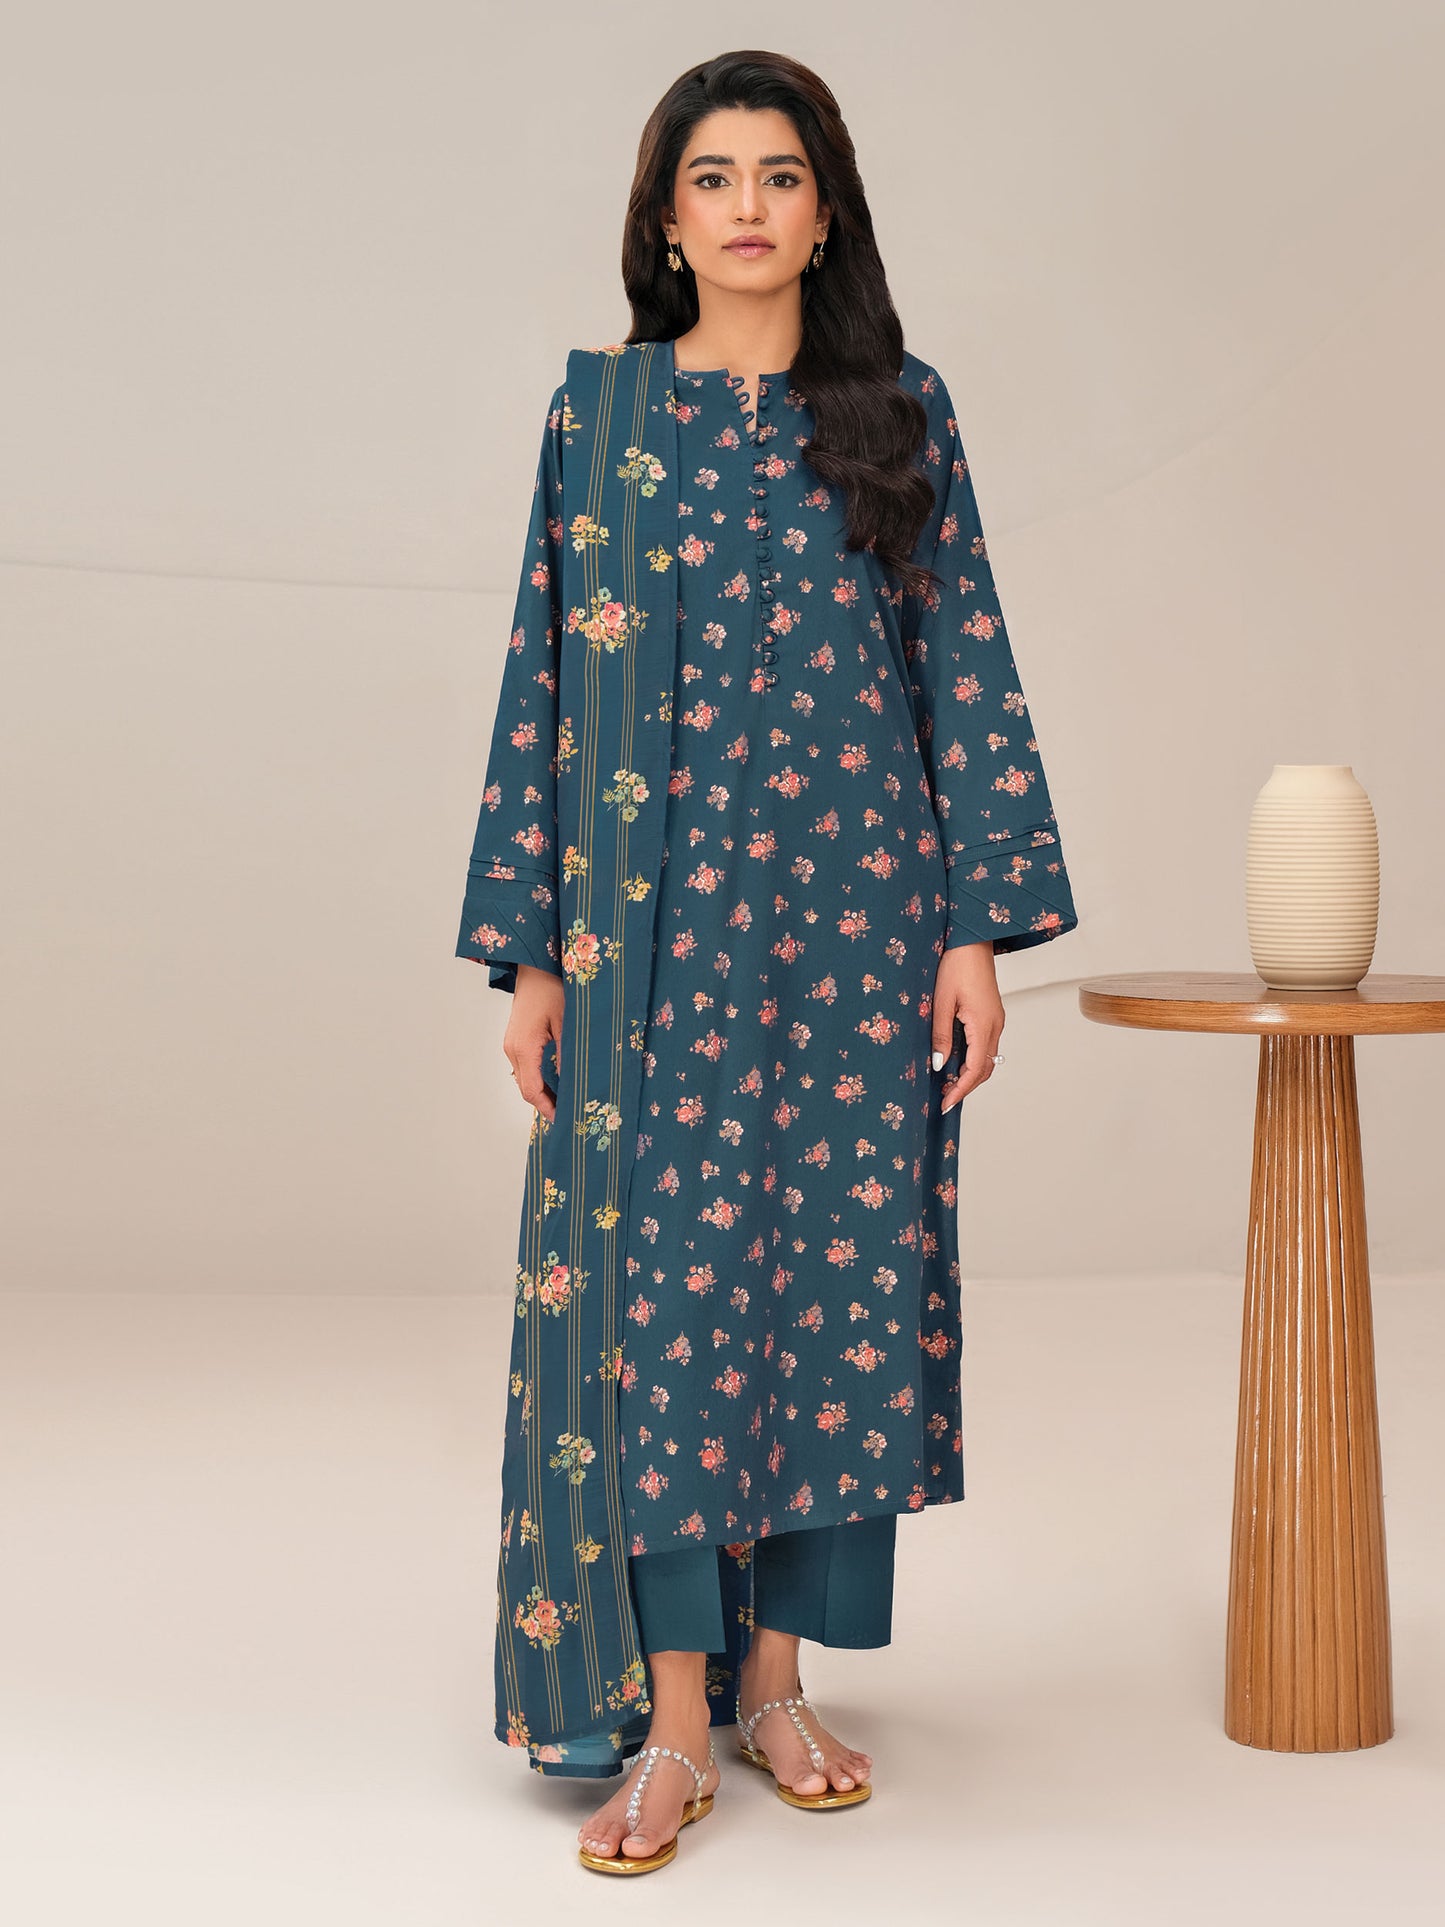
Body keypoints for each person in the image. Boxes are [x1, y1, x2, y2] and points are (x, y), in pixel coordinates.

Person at [454, 48, 1080, 1875]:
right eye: (712, 177)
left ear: (825, 212)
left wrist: (971, 932)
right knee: (659, 1303)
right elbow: (544, 672)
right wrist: (533, 957)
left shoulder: (895, 410)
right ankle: (670, 1720)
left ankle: (777, 1687)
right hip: (643, 935)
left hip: (857, 925)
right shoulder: (601, 418)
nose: (746, 206)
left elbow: (959, 658)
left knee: (831, 1293)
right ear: (666, 219)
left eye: (779, 175)